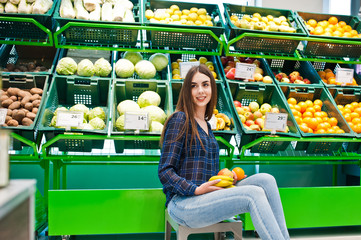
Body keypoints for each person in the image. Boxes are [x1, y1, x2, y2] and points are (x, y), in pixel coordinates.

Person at [158, 64, 290, 240]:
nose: (200, 91)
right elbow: (165, 171)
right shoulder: (180, 119)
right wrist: (195, 190)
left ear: (212, 88)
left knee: (266, 180)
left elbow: (207, 175)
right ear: (186, 91)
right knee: (253, 194)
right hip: (184, 203)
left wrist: (226, 178)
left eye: (205, 85)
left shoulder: (207, 125)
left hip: (207, 197)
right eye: (193, 86)